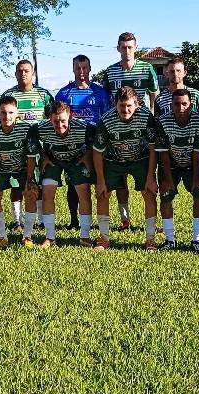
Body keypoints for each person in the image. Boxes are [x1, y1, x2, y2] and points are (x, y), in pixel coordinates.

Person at [101, 32, 160, 231]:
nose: (127, 51)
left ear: (136, 48)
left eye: (130, 47)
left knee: (145, 179)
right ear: (118, 48)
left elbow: (154, 95)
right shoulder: (110, 72)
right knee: (120, 182)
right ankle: (125, 219)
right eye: (123, 47)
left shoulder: (147, 68)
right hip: (118, 126)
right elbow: (107, 98)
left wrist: (152, 116)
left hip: (141, 128)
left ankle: (151, 225)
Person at [92, 86, 158, 251]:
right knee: (102, 194)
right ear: (115, 104)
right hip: (113, 160)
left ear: (137, 104)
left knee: (149, 193)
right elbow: (97, 152)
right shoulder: (106, 120)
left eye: (129, 105)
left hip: (139, 158)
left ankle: (150, 239)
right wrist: (100, 180)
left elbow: (152, 148)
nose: (125, 110)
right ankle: (104, 239)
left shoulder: (145, 116)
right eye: (122, 106)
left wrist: (151, 177)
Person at [154, 88, 199, 252]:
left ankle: (197, 240)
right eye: (177, 104)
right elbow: (163, 154)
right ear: (171, 105)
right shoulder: (162, 121)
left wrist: (196, 179)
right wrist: (168, 179)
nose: (181, 108)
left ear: (191, 105)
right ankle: (170, 239)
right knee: (166, 195)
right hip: (170, 165)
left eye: (185, 104)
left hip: (193, 165)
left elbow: (198, 155)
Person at [55, 54, 110, 230]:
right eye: (78, 68)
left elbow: (107, 117)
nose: (81, 72)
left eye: (84, 68)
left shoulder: (100, 93)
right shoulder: (64, 93)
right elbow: (57, 120)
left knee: (100, 181)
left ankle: (101, 220)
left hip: (96, 144)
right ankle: (74, 220)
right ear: (73, 70)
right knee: (74, 183)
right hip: (74, 145)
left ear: (90, 69)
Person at [31, 102, 96, 247]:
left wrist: (87, 155)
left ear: (70, 117)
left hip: (76, 160)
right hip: (53, 160)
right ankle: (50, 237)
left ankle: (85, 236)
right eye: (55, 121)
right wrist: (43, 155)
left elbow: (99, 135)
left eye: (63, 121)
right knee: (47, 193)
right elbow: (31, 135)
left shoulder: (84, 127)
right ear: (50, 119)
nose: (59, 125)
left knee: (84, 193)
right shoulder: (41, 128)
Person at [1, 59, 54, 231]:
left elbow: (51, 120)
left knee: (38, 182)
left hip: (39, 148)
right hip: (16, 148)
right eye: (20, 71)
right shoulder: (8, 95)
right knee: (16, 184)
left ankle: (40, 220)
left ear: (33, 73)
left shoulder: (43, 95)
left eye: (26, 71)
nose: (23, 74)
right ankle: (17, 220)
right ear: (15, 74)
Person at [0, 96, 37, 249]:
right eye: (3, 113)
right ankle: (2, 237)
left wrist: (30, 180)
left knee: (31, 193)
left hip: (22, 169)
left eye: (11, 112)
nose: (7, 116)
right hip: (0, 170)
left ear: (17, 113)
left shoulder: (26, 129)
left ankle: (27, 236)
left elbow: (31, 157)